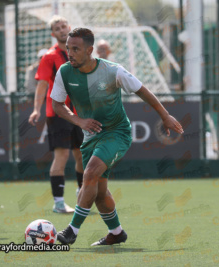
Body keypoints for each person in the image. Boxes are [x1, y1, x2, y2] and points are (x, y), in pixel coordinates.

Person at [51, 28, 184, 245]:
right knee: (100, 192)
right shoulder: (64, 72)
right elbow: (57, 105)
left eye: (76, 49)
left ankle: (71, 231)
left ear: (90, 50)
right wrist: (79, 121)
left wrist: (165, 115)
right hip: (89, 137)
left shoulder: (113, 71)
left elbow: (142, 90)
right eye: (68, 48)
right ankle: (117, 233)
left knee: (90, 174)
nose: (70, 53)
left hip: (117, 133)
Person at [28, 16, 84, 214]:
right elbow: (42, 85)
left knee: (83, 156)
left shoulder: (81, 52)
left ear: (70, 28)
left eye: (64, 26)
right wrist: (36, 109)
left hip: (81, 114)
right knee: (61, 156)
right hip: (58, 114)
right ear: (53, 34)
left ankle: (82, 195)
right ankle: (59, 203)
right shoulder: (49, 57)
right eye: (57, 28)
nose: (61, 30)